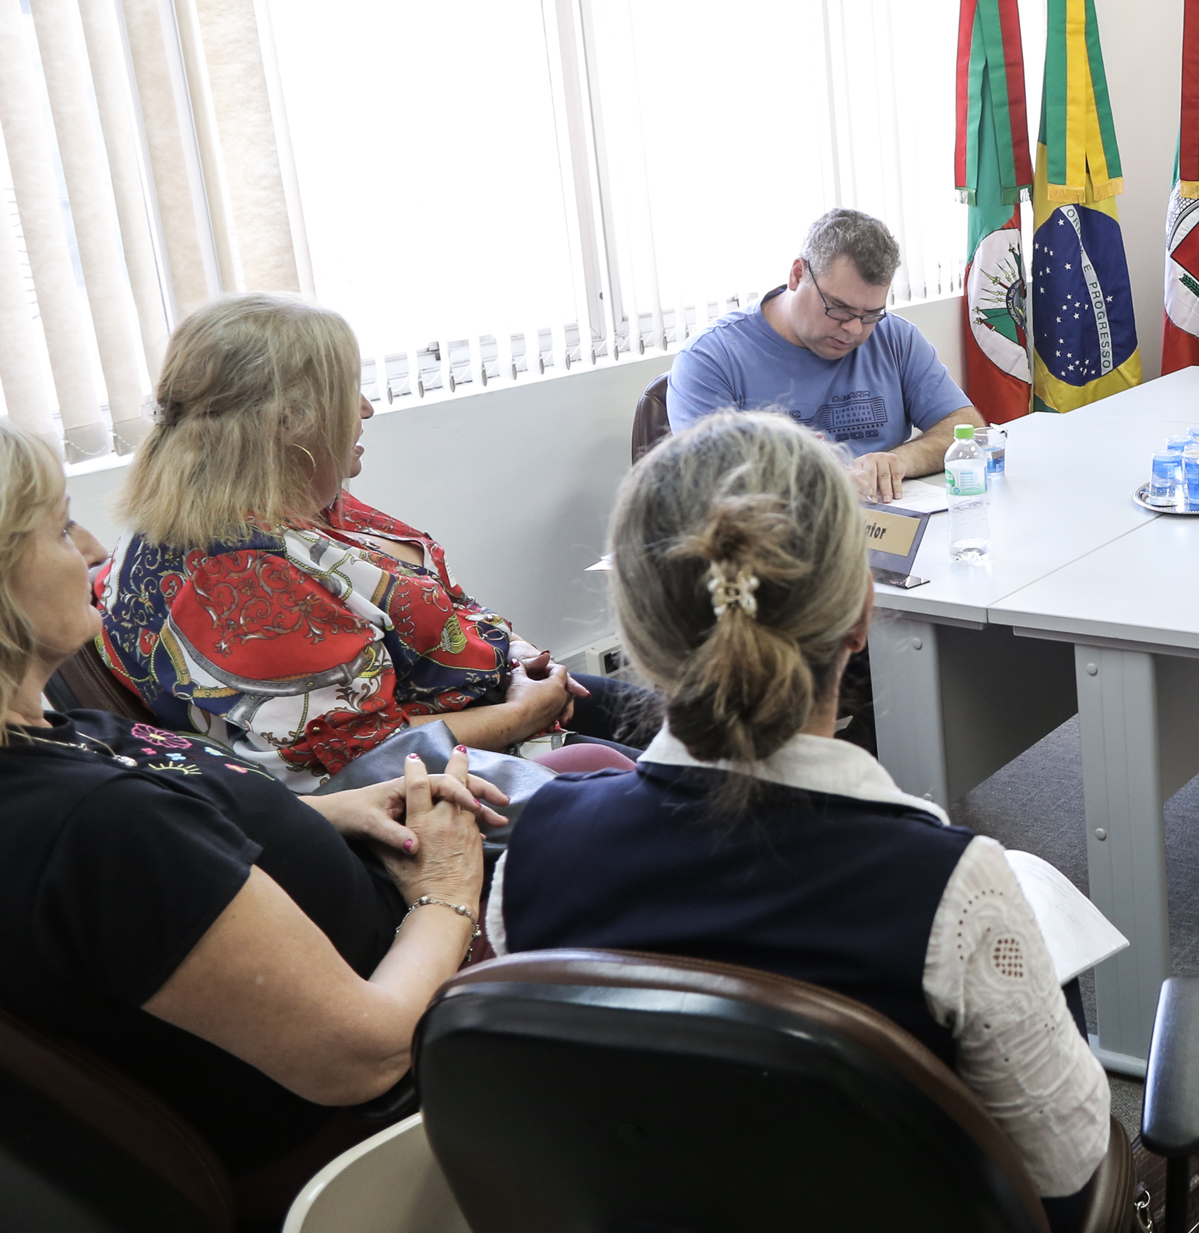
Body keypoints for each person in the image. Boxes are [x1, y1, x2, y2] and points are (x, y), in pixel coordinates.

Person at [487, 411, 1110, 1227]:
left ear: (634, 635)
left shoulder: (529, 856)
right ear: (862, 613)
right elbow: (1067, 1170)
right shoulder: (951, 891)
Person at [0, 417, 503, 1216]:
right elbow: (367, 1053)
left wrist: (325, 814)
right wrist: (447, 887)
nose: (92, 546)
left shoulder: (42, 738)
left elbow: (175, 848)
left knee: (582, 785)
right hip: (400, 1087)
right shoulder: (93, 829)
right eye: (61, 529)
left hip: (395, 920)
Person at [96, 294, 655, 789]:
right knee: (677, 797)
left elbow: (442, 598)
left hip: (494, 694)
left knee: (685, 729)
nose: (365, 408)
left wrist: (518, 654)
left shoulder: (303, 501)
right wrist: (520, 715)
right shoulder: (242, 575)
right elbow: (362, 757)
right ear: (286, 420)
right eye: (348, 392)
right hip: (448, 773)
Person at [667, 207, 982, 504]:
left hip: (890, 524)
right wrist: (814, 480)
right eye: (839, 308)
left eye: (870, 314)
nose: (854, 329)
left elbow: (966, 426)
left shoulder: (895, 337)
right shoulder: (710, 358)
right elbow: (711, 481)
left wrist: (900, 461)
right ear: (797, 275)